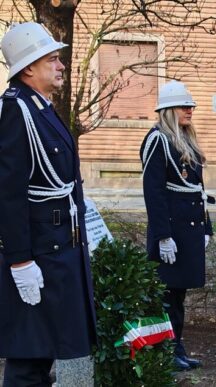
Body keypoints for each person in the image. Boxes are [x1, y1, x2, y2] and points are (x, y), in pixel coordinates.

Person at [0, 22, 96, 385]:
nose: (61, 66)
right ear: (28, 68)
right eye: (52, 59)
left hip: (57, 250)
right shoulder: (16, 111)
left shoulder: (40, 108)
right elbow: (8, 195)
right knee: (29, 360)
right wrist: (21, 260)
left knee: (42, 355)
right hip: (39, 254)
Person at [140, 80, 213, 371]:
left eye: (191, 105)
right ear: (169, 109)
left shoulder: (185, 139)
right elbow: (153, 192)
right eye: (185, 105)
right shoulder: (158, 139)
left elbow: (198, 189)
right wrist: (162, 236)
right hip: (171, 231)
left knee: (178, 293)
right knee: (166, 295)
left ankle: (175, 347)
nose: (190, 109)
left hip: (188, 229)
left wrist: (205, 227)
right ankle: (164, 351)